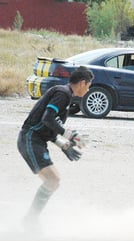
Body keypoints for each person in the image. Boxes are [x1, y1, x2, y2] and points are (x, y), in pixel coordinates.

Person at [18, 66, 94, 229]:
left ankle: (31, 218)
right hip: (30, 139)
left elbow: (49, 128)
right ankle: (30, 219)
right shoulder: (63, 93)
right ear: (82, 83)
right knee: (53, 180)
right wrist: (70, 136)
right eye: (88, 86)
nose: (88, 90)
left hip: (36, 140)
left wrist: (64, 145)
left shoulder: (65, 95)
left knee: (53, 181)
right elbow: (47, 119)